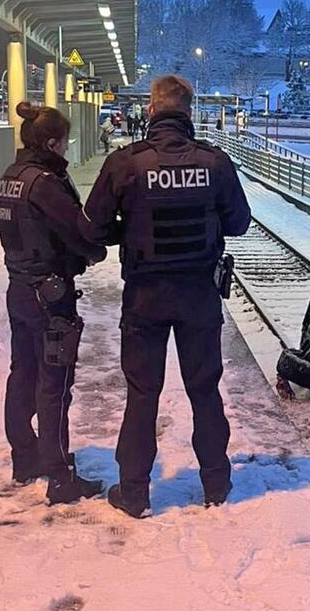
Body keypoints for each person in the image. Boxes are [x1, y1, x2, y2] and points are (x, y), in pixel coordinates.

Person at [81, 74, 251, 518]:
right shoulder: (214, 163)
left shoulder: (126, 163)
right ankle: (216, 483)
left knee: (143, 393)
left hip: (145, 298)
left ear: (152, 110)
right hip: (199, 296)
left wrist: (130, 231)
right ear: (189, 113)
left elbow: (93, 227)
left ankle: (134, 492)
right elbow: (238, 223)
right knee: (204, 391)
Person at [0, 101, 107, 505]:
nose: (65, 149)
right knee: (54, 385)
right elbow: (80, 233)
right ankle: (60, 477)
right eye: (64, 142)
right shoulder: (45, 183)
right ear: (51, 142)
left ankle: (25, 459)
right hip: (50, 296)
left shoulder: (13, 176)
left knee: (21, 374)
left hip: (20, 290)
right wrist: (94, 251)